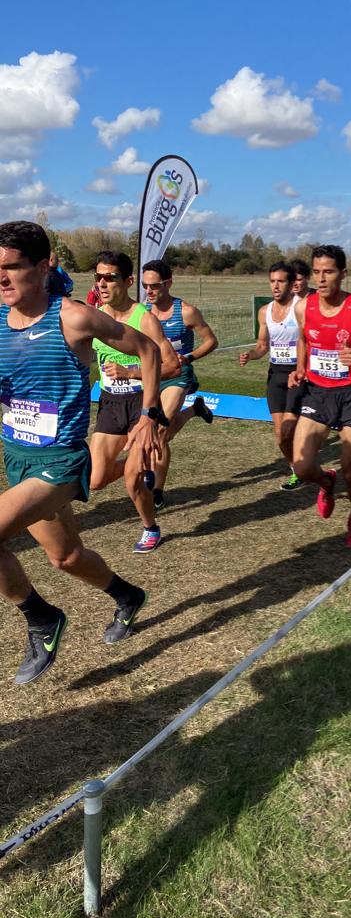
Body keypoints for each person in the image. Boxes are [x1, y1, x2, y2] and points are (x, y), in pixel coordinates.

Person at [0, 221, 162, 685]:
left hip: (62, 461)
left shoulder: (71, 317)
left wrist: (150, 414)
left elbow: (148, 349)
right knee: (66, 557)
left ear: (45, 264)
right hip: (18, 457)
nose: (3, 279)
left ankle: (41, 619)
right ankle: (127, 595)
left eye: (12, 268)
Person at [288, 245, 351, 546]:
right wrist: (300, 366)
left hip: (350, 394)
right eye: (316, 272)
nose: (321, 278)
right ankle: (326, 482)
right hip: (317, 394)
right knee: (301, 467)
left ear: (343, 273)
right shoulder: (304, 306)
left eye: (328, 271)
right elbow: (304, 338)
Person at [89, 251, 180, 552]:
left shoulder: (145, 319)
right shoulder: (94, 315)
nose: (102, 283)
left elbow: (172, 366)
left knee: (131, 483)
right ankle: (137, 464)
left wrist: (131, 371)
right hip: (110, 402)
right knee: (95, 479)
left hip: (140, 403)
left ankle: (150, 527)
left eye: (110, 277)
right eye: (98, 277)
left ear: (128, 281)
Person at [142, 259, 218, 510]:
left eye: (154, 286)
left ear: (168, 283)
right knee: (159, 430)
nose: (149, 291)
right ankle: (195, 409)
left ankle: (157, 491)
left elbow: (211, 341)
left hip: (179, 375)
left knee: (161, 431)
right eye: (145, 286)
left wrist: (191, 356)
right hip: (153, 376)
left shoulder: (185, 311)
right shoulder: (143, 312)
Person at [239, 261, 306, 491]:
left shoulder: (302, 307)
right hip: (276, 374)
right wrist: (251, 354)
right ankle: (296, 470)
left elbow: (311, 340)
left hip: (298, 374)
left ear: (291, 283)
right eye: (272, 281)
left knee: (289, 429)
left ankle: (305, 464)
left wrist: (303, 368)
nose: (276, 286)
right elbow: (262, 346)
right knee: (280, 435)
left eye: (281, 281)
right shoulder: (264, 312)